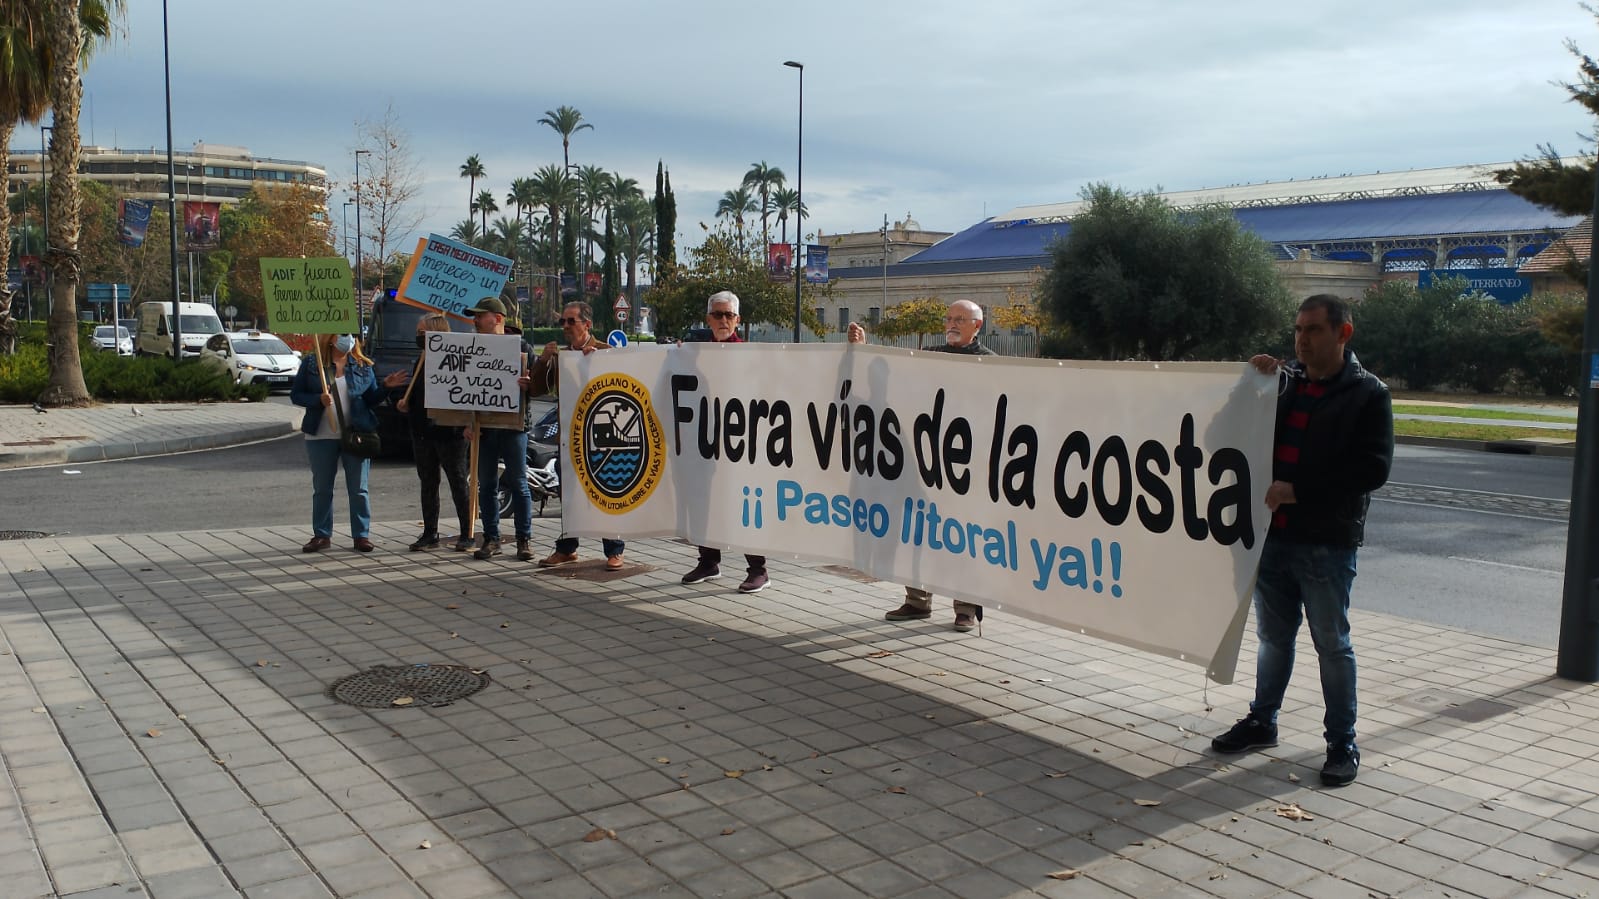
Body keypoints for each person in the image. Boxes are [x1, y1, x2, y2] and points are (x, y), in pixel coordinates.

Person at [1210, 294, 1393, 788]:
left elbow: (1373, 469)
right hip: (1270, 539)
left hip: (1326, 543)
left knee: (1332, 644)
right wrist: (1249, 387)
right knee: (1273, 638)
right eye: (1297, 330)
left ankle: (1341, 743)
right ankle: (1262, 720)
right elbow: (1221, 436)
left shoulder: (1368, 394)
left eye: (1313, 330)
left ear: (1342, 334)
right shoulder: (1281, 384)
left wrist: (1300, 490)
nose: (1302, 340)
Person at [846, 299, 992, 631]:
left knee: (963, 539)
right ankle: (917, 600)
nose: (952, 324)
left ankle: (965, 608)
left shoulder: (991, 365)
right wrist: (862, 351)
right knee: (918, 535)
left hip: (964, 471)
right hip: (923, 467)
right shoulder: (929, 357)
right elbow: (893, 382)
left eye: (960, 319)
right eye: (949, 318)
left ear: (977, 325)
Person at [678, 290, 771, 594]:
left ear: (738, 320)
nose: (722, 320)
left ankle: (758, 569)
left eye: (728, 315)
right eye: (717, 315)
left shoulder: (747, 354)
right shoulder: (695, 353)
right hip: (705, 444)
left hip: (739, 445)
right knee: (703, 501)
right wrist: (675, 357)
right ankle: (708, 561)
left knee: (741, 505)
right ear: (708, 318)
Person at [527, 300, 627, 571]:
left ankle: (614, 549)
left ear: (587, 324)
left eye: (572, 321)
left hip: (601, 436)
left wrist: (598, 363)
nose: (566, 327)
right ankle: (567, 548)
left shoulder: (605, 351)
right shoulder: (560, 356)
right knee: (570, 491)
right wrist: (544, 360)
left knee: (606, 488)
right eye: (563, 322)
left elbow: (622, 386)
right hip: (569, 436)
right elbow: (536, 389)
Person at [289, 332, 407, 553]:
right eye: (344, 335)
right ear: (331, 338)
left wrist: (385, 387)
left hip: (357, 434)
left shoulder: (363, 365)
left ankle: (361, 536)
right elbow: (296, 395)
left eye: (352, 335)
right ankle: (321, 535)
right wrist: (318, 400)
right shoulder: (313, 364)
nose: (349, 339)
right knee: (322, 488)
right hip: (320, 435)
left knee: (359, 489)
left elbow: (370, 399)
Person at [464, 297, 539, 562]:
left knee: (519, 483)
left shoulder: (522, 348)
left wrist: (529, 383)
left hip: (514, 427)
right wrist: (467, 423)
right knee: (486, 485)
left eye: (479, 315)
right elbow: (462, 388)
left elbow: (542, 385)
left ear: (496, 319)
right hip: (484, 427)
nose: (475, 321)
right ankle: (492, 538)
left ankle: (523, 540)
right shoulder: (471, 348)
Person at [395, 312, 473, 552]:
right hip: (422, 432)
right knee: (428, 483)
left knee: (458, 482)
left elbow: (466, 392)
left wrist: (467, 424)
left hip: (450, 432)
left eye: (422, 332)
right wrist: (405, 403)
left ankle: (467, 532)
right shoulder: (420, 359)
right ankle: (430, 532)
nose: (418, 336)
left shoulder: (455, 359)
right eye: (418, 332)